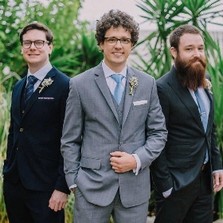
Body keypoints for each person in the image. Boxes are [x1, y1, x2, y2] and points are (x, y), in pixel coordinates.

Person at [60, 9, 167, 223]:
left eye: (125, 40)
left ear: (132, 45)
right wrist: (74, 181)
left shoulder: (147, 83)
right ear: (101, 43)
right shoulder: (80, 85)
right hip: (91, 187)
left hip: (134, 189)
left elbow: (158, 133)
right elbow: (70, 139)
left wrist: (136, 159)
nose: (118, 45)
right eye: (112, 39)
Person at [150, 24, 223, 223]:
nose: (197, 54)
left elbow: (209, 130)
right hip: (175, 185)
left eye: (200, 48)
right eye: (189, 49)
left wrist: (217, 166)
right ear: (174, 52)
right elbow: (156, 139)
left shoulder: (205, 80)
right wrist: (165, 185)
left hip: (205, 183)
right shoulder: (162, 88)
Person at [3, 22, 70, 223]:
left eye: (39, 42)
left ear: (50, 47)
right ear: (22, 48)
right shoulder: (18, 86)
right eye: (27, 43)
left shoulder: (65, 85)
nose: (32, 47)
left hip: (47, 187)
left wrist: (62, 187)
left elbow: (70, 139)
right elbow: (15, 131)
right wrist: (8, 169)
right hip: (15, 184)